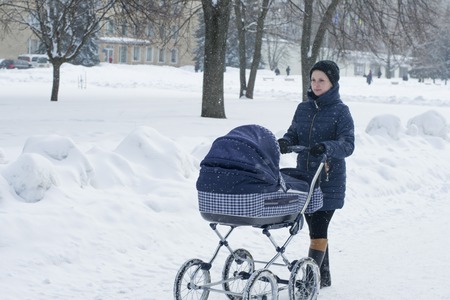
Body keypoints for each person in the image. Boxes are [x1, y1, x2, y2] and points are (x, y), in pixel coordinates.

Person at [277, 60, 355, 288]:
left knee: (319, 226)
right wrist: (286, 141)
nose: (316, 84)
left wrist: (327, 147)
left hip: (328, 179)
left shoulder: (341, 111)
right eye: (313, 80)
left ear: (332, 83)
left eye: (322, 80)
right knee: (315, 228)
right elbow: (294, 133)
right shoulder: (303, 109)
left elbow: (348, 144)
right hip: (305, 179)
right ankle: (324, 275)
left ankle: (310, 281)